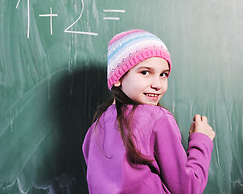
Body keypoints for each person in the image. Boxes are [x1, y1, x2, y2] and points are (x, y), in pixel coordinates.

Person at [82, 29, 215, 194]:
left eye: (163, 75)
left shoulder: (95, 127)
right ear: (117, 77)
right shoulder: (157, 119)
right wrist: (201, 140)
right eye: (145, 72)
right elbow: (187, 189)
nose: (158, 84)